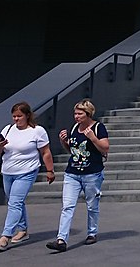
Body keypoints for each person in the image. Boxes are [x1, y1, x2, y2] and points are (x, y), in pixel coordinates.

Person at [47, 99, 110, 252]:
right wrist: (64, 142)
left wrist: (93, 138)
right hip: (72, 173)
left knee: (92, 205)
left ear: (88, 114)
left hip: (92, 174)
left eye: (80, 113)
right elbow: (74, 152)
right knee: (67, 206)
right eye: (75, 113)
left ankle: (92, 233)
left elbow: (105, 148)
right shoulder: (75, 127)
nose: (76, 116)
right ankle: (61, 239)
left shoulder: (98, 127)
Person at [0, 102, 54, 251]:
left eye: (19, 116)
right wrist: (0, 145)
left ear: (27, 116)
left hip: (27, 171)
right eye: (14, 116)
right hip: (8, 171)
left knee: (15, 202)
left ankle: (5, 236)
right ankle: (23, 229)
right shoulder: (8, 129)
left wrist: (50, 170)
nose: (16, 119)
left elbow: (45, 152)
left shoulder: (37, 131)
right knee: (15, 201)